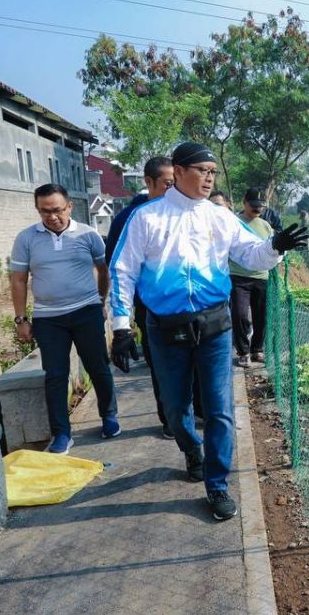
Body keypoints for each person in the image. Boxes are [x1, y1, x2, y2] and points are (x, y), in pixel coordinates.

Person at [108, 142, 308, 521]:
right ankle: (191, 449)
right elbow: (123, 271)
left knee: (219, 409)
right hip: (165, 328)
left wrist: (276, 246)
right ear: (178, 172)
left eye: (212, 172)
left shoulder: (220, 217)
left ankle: (217, 485)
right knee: (174, 408)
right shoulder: (147, 218)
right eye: (201, 170)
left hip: (214, 326)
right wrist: (121, 327)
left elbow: (251, 254)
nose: (209, 178)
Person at [10, 184, 119, 454]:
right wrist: (21, 318)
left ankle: (109, 417)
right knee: (55, 376)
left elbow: (103, 271)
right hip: (49, 319)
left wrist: (101, 301)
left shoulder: (89, 235)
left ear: (69, 206)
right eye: (44, 211)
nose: (52, 216)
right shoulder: (26, 239)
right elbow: (18, 280)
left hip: (86, 311)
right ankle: (61, 434)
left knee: (98, 367)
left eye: (57, 210)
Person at [104, 156, 178, 439]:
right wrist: (123, 321)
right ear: (149, 182)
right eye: (168, 184)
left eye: (176, 184)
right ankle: (169, 418)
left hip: (185, 302)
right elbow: (117, 265)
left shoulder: (180, 212)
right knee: (161, 364)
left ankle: (194, 410)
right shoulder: (128, 218)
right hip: (149, 305)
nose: (173, 190)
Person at [230, 188, 273, 366]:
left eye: (260, 206)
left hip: (261, 277)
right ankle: (243, 351)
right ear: (244, 203)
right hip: (238, 276)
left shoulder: (265, 226)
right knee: (240, 315)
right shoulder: (234, 222)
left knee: (261, 315)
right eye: (253, 205)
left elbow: (272, 250)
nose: (257, 209)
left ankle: (257, 349)